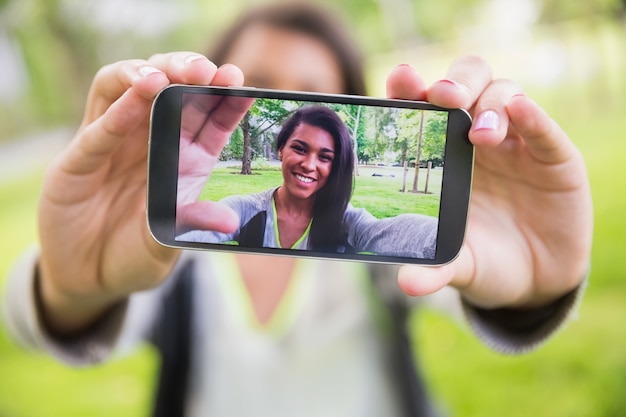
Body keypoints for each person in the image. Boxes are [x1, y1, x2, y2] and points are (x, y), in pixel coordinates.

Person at [2, 3, 592, 417]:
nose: (310, 161)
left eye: (318, 95)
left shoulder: (361, 238)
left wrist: (535, 282)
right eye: (264, 89)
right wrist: (68, 284)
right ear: (277, 145)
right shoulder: (197, 236)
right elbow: (57, 320)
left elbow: (418, 246)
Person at [176, 103, 438, 258]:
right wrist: (171, 217)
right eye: (300, 149)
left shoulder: (346, 221)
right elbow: (190, 236)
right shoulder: (246, 209)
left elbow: (393, 231)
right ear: (281, 150)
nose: (309, 165)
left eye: (324, 157)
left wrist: (459, 239)